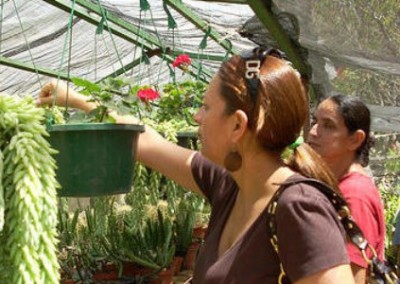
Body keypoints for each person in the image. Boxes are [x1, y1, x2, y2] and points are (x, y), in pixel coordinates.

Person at [38, 47, 355, 283]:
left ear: (237, 126)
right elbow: (144, 140)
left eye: (205, 107)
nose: (196, 118)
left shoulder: (300, 208)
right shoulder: (229, 185)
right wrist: (78, 100)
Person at [307, 94, 386, 283]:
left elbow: (353, 277)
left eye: (328, 125)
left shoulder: (354, 195)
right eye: (315, 121)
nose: (313, 132)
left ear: (355, 140)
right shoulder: (338, 186)